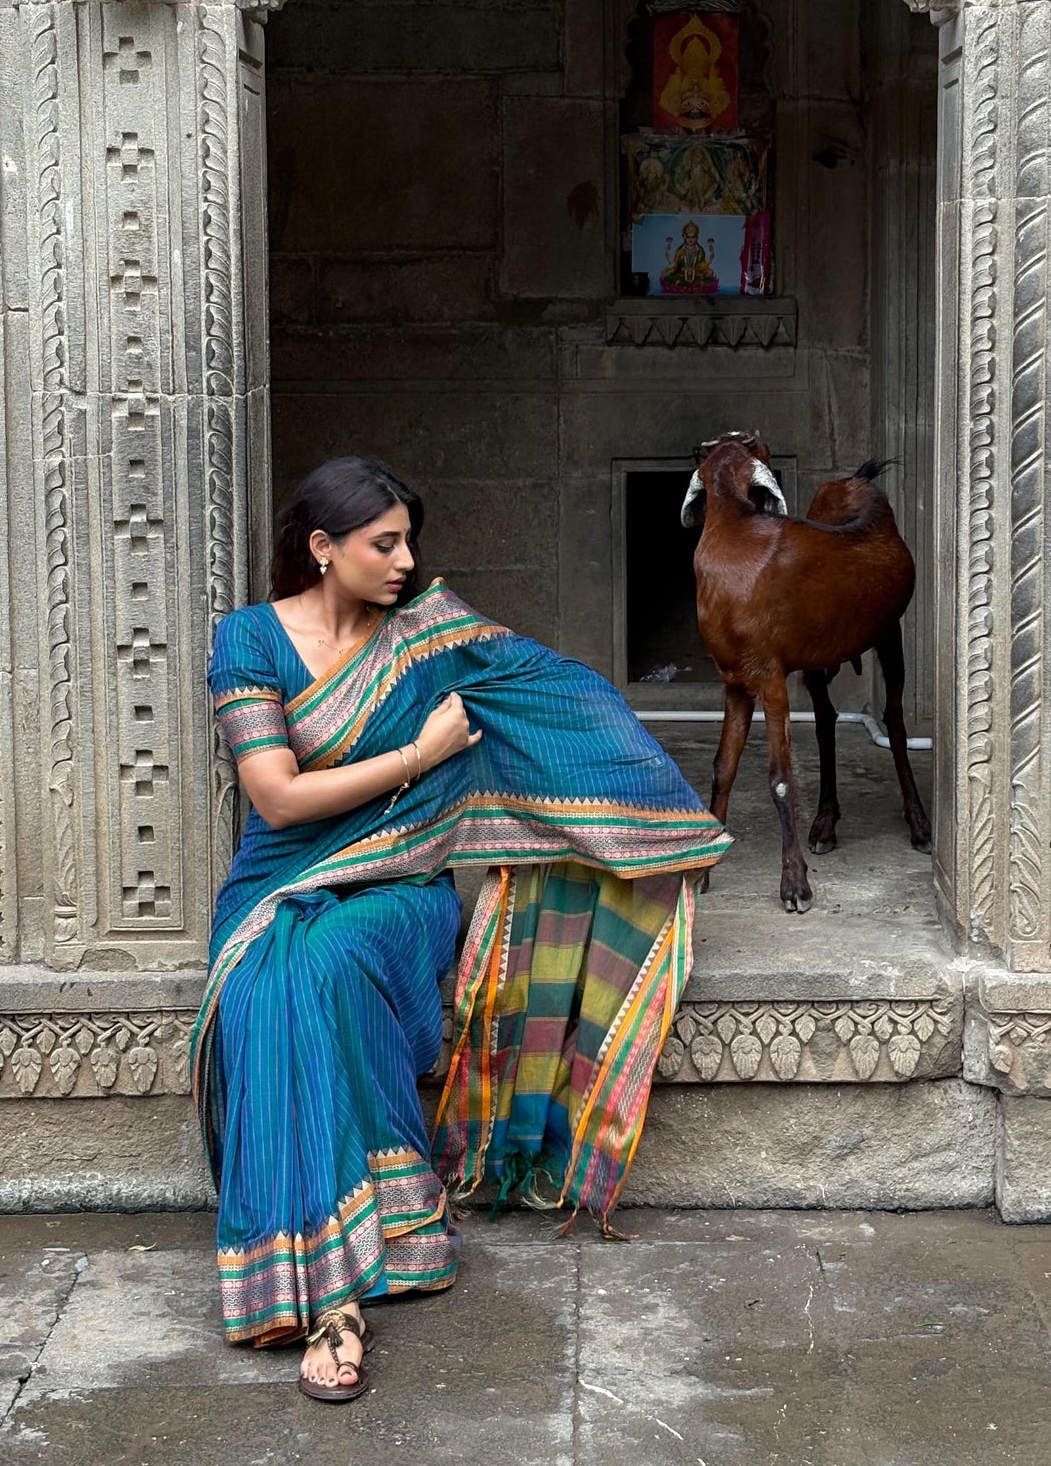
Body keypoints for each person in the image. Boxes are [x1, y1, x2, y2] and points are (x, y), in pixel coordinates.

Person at [190, 457, 730, 1401]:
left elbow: (560, 695)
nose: (405, 560)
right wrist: (419, 753)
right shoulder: (250, 640)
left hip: (401, 887)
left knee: (328, 961)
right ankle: (345, 1274)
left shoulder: (433, 635)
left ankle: (333, 1288)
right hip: (279, 882)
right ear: (322, 549)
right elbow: (274, 798)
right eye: (382, 543)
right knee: (279, 975)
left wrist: (661, 820)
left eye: (408, 540)